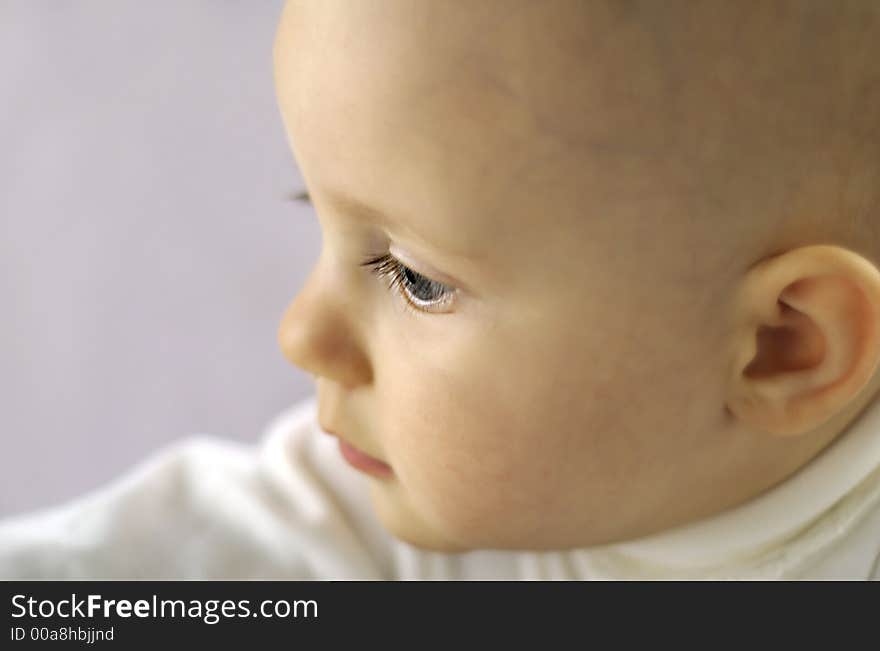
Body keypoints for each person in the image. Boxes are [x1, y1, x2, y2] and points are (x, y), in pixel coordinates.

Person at [3, 0, 880, 580]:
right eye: (321, 215)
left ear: (782, 347)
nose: (304, 334)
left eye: (415, 277)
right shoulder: (393, 523)